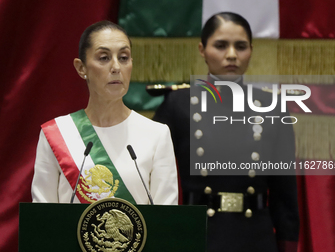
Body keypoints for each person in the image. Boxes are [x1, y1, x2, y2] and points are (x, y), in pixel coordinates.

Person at [153, 12, 299, 251]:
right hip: (195, 236)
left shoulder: (274, 109)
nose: (231, 55)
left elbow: (285, 194)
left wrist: (288, 244)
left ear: (251, 50)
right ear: (202, 49)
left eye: (240, 46)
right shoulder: (177, 105)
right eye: (221, 45)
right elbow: (155, 181)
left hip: (255, 238)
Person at [31, 21, 178, 205]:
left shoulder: (157, 135)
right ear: (81, 67)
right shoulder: (55, 134)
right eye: (104, 58)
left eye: (123, 57)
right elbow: (43, 220)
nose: (116, 67)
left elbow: (166, 222)